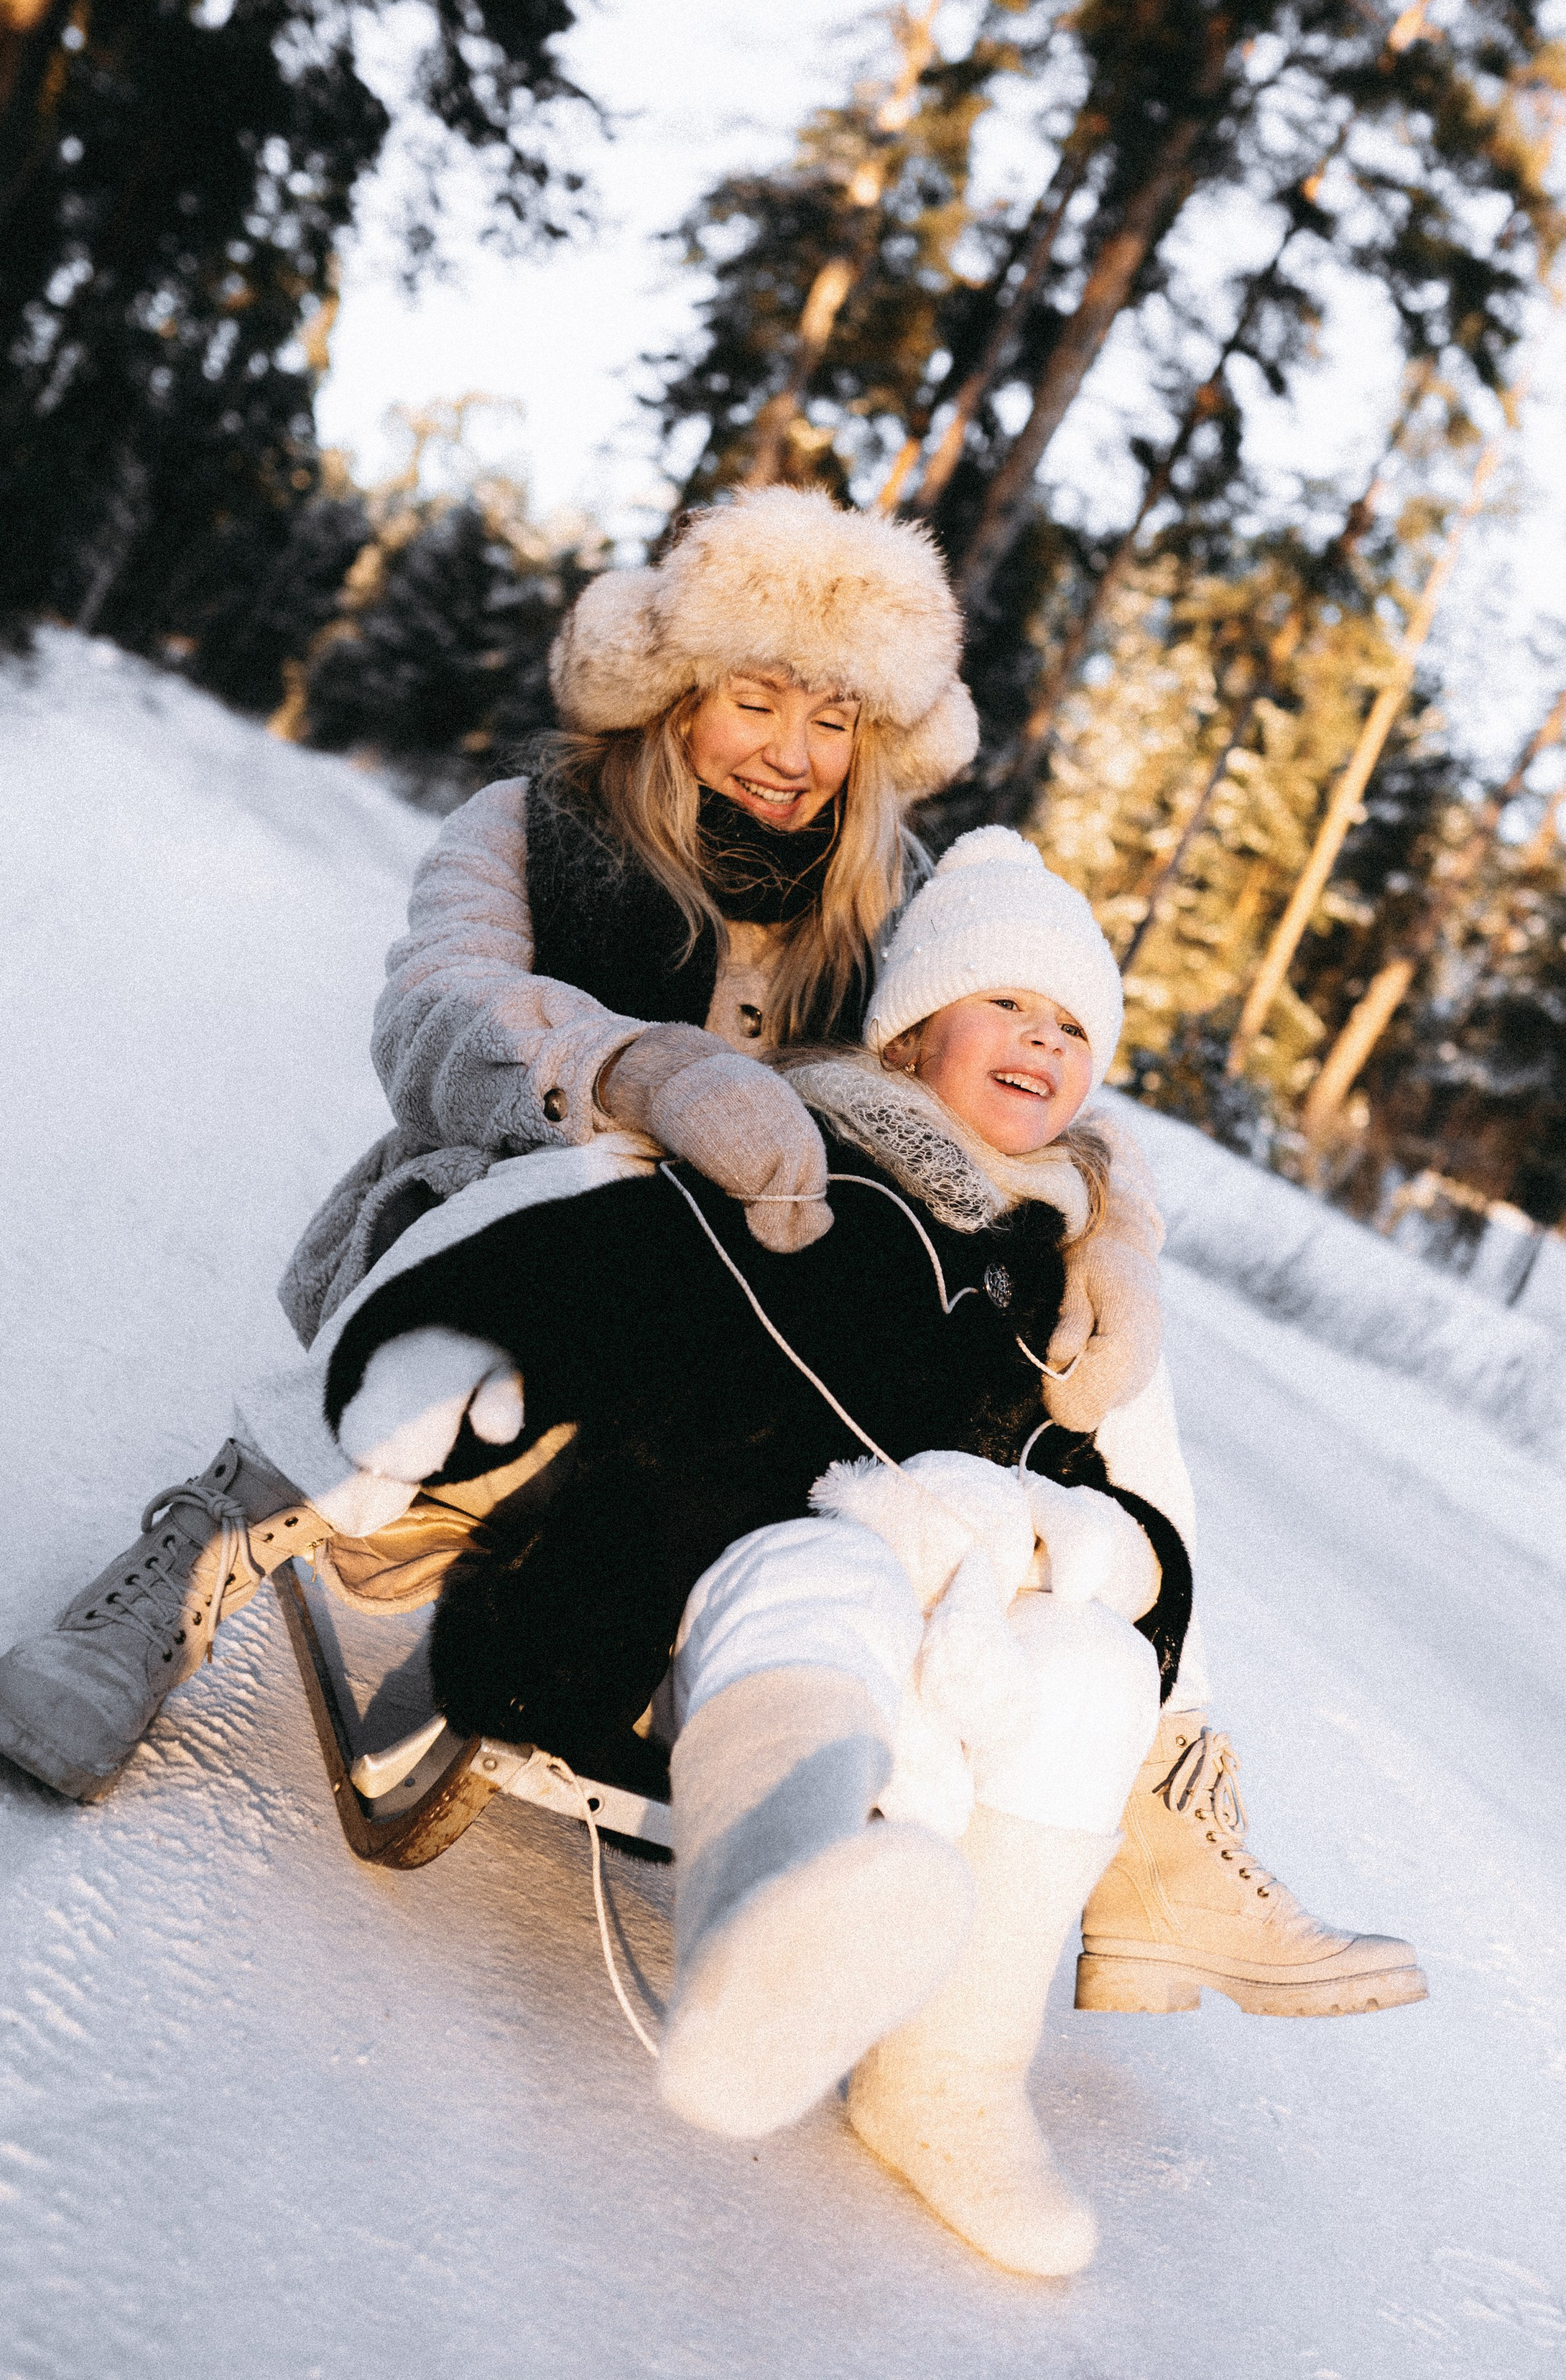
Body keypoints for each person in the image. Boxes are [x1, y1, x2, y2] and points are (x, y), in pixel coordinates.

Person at [0, 488, 1419, 2067]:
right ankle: (200, 1549)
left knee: (1104, 1362)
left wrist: (1116, 1239)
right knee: (589, 1183)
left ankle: (1164, 1799)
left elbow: (1027, 1052)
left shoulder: (892, 895)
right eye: (757, 698)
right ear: (675, 689)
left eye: (832, 718)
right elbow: (435, 1015)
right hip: (507, 1254)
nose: (792, 753)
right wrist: (636, 1074)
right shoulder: (534, 825)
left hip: (775, 1335)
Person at [315, 827, 1419, 2274]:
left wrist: (1094, 1543)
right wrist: (425, 1365)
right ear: (910, 1034)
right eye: (1008, 1006)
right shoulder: (795, 1149)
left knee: (1088, 1669)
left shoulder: (1066, 1266)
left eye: (1076, 1025)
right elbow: (583, 1249)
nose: (1043, 1039)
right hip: (729, 1551)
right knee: (821, 1581)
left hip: (958, 1600)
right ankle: (752, 1942)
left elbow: (1121, 1497)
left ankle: (943, 2085)